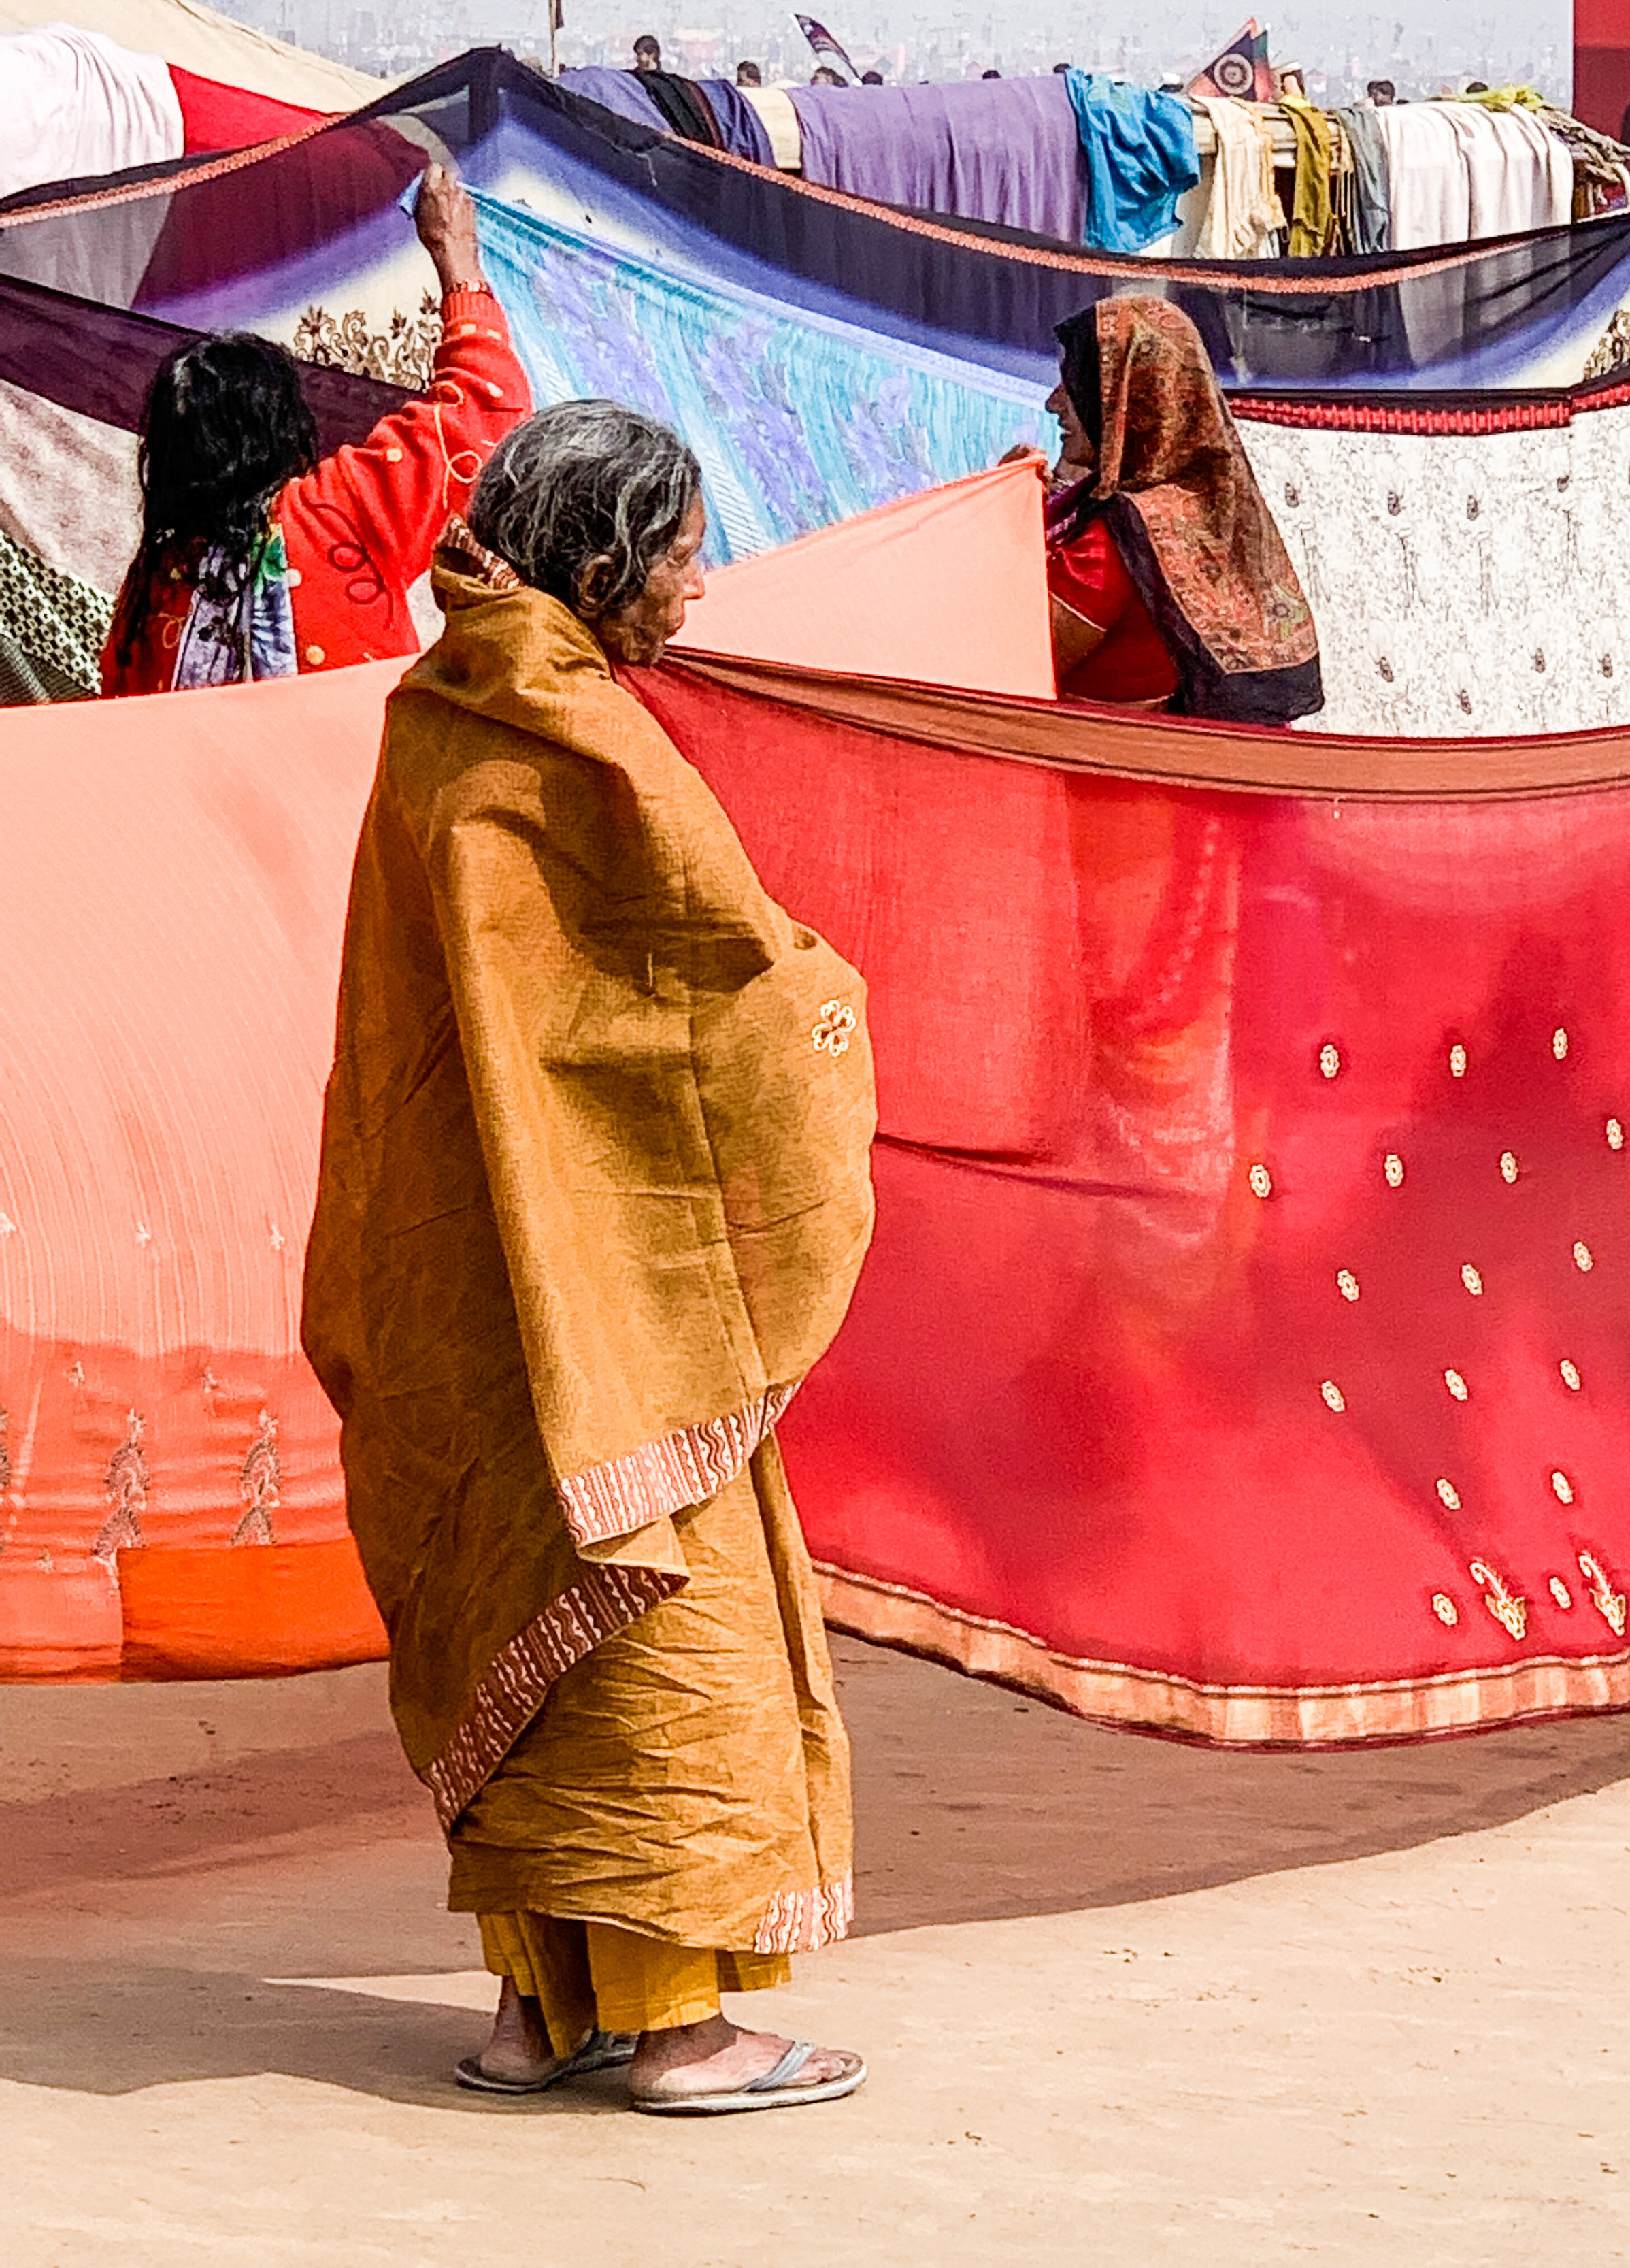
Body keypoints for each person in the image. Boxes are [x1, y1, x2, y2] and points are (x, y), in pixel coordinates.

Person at [301, 399, 876, 2117]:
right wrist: (826, 1010)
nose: (697, 592)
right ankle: (682, 2030)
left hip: (458, 1275)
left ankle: (541, 2012)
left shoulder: (440, 713)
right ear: (609, 555)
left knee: (518, 1602)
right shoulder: (574, 738)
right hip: (605, 1282)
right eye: (686, 552)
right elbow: (694, 995)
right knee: (656, 1624)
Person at [101, 167, 527, 696]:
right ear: (289, 430)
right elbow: (487, 402)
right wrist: (456, 258)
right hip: (350, 778)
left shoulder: (149, 596)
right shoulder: (338, 513)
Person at [1038, 297, 1322, 722]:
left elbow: (1017, 660)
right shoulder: (1207, 507)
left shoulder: (1121, 541)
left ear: (1127, 397)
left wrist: (998, 525)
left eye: (1072, 384)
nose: (1053, 403)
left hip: (1097, 772)